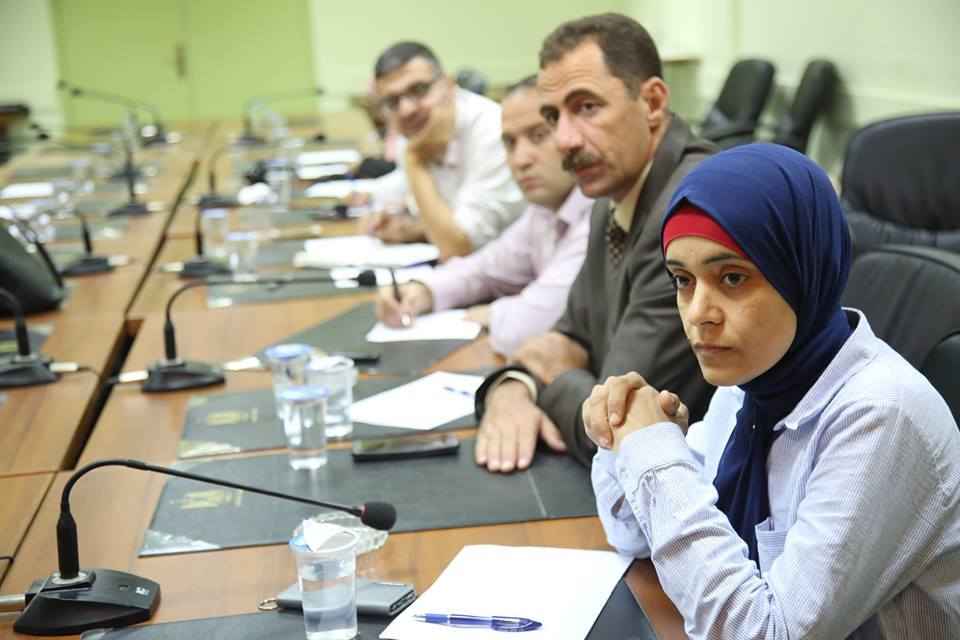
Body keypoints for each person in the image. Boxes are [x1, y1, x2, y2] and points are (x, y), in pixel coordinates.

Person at [584, 143, 960, 638]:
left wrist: (655, 455)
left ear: (802, 271)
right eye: (682, 280)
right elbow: (633, 537)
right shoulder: (755, 383)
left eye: (732, 277)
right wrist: (627, 438)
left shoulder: (880, 415)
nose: (698, 313)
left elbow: (766, 631)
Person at [473, 13, 715, 472]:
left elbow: (616, 429)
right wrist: (513, 386)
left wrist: (550, 376)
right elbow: (571, 334)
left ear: (653, 102)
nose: (564, 140)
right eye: (553, 116)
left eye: (586, 107)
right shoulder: (610, 196)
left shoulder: (689, 208)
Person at [373, 75, 593, 356]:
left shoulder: (595, 211)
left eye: (539, 136)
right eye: (510, 143)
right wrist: (422, 290)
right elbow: (484, 268)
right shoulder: (544, 210)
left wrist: (495, 312)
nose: (520, 160)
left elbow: (528, 327)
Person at [361, 41, 525, 260]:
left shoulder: (493, 131)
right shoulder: (416, 130)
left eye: (418, 90)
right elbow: (415, 191)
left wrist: (415, 159)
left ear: (448, 86)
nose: (406, 109)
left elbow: (459, 247)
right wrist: (409, 228)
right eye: (393, 101)